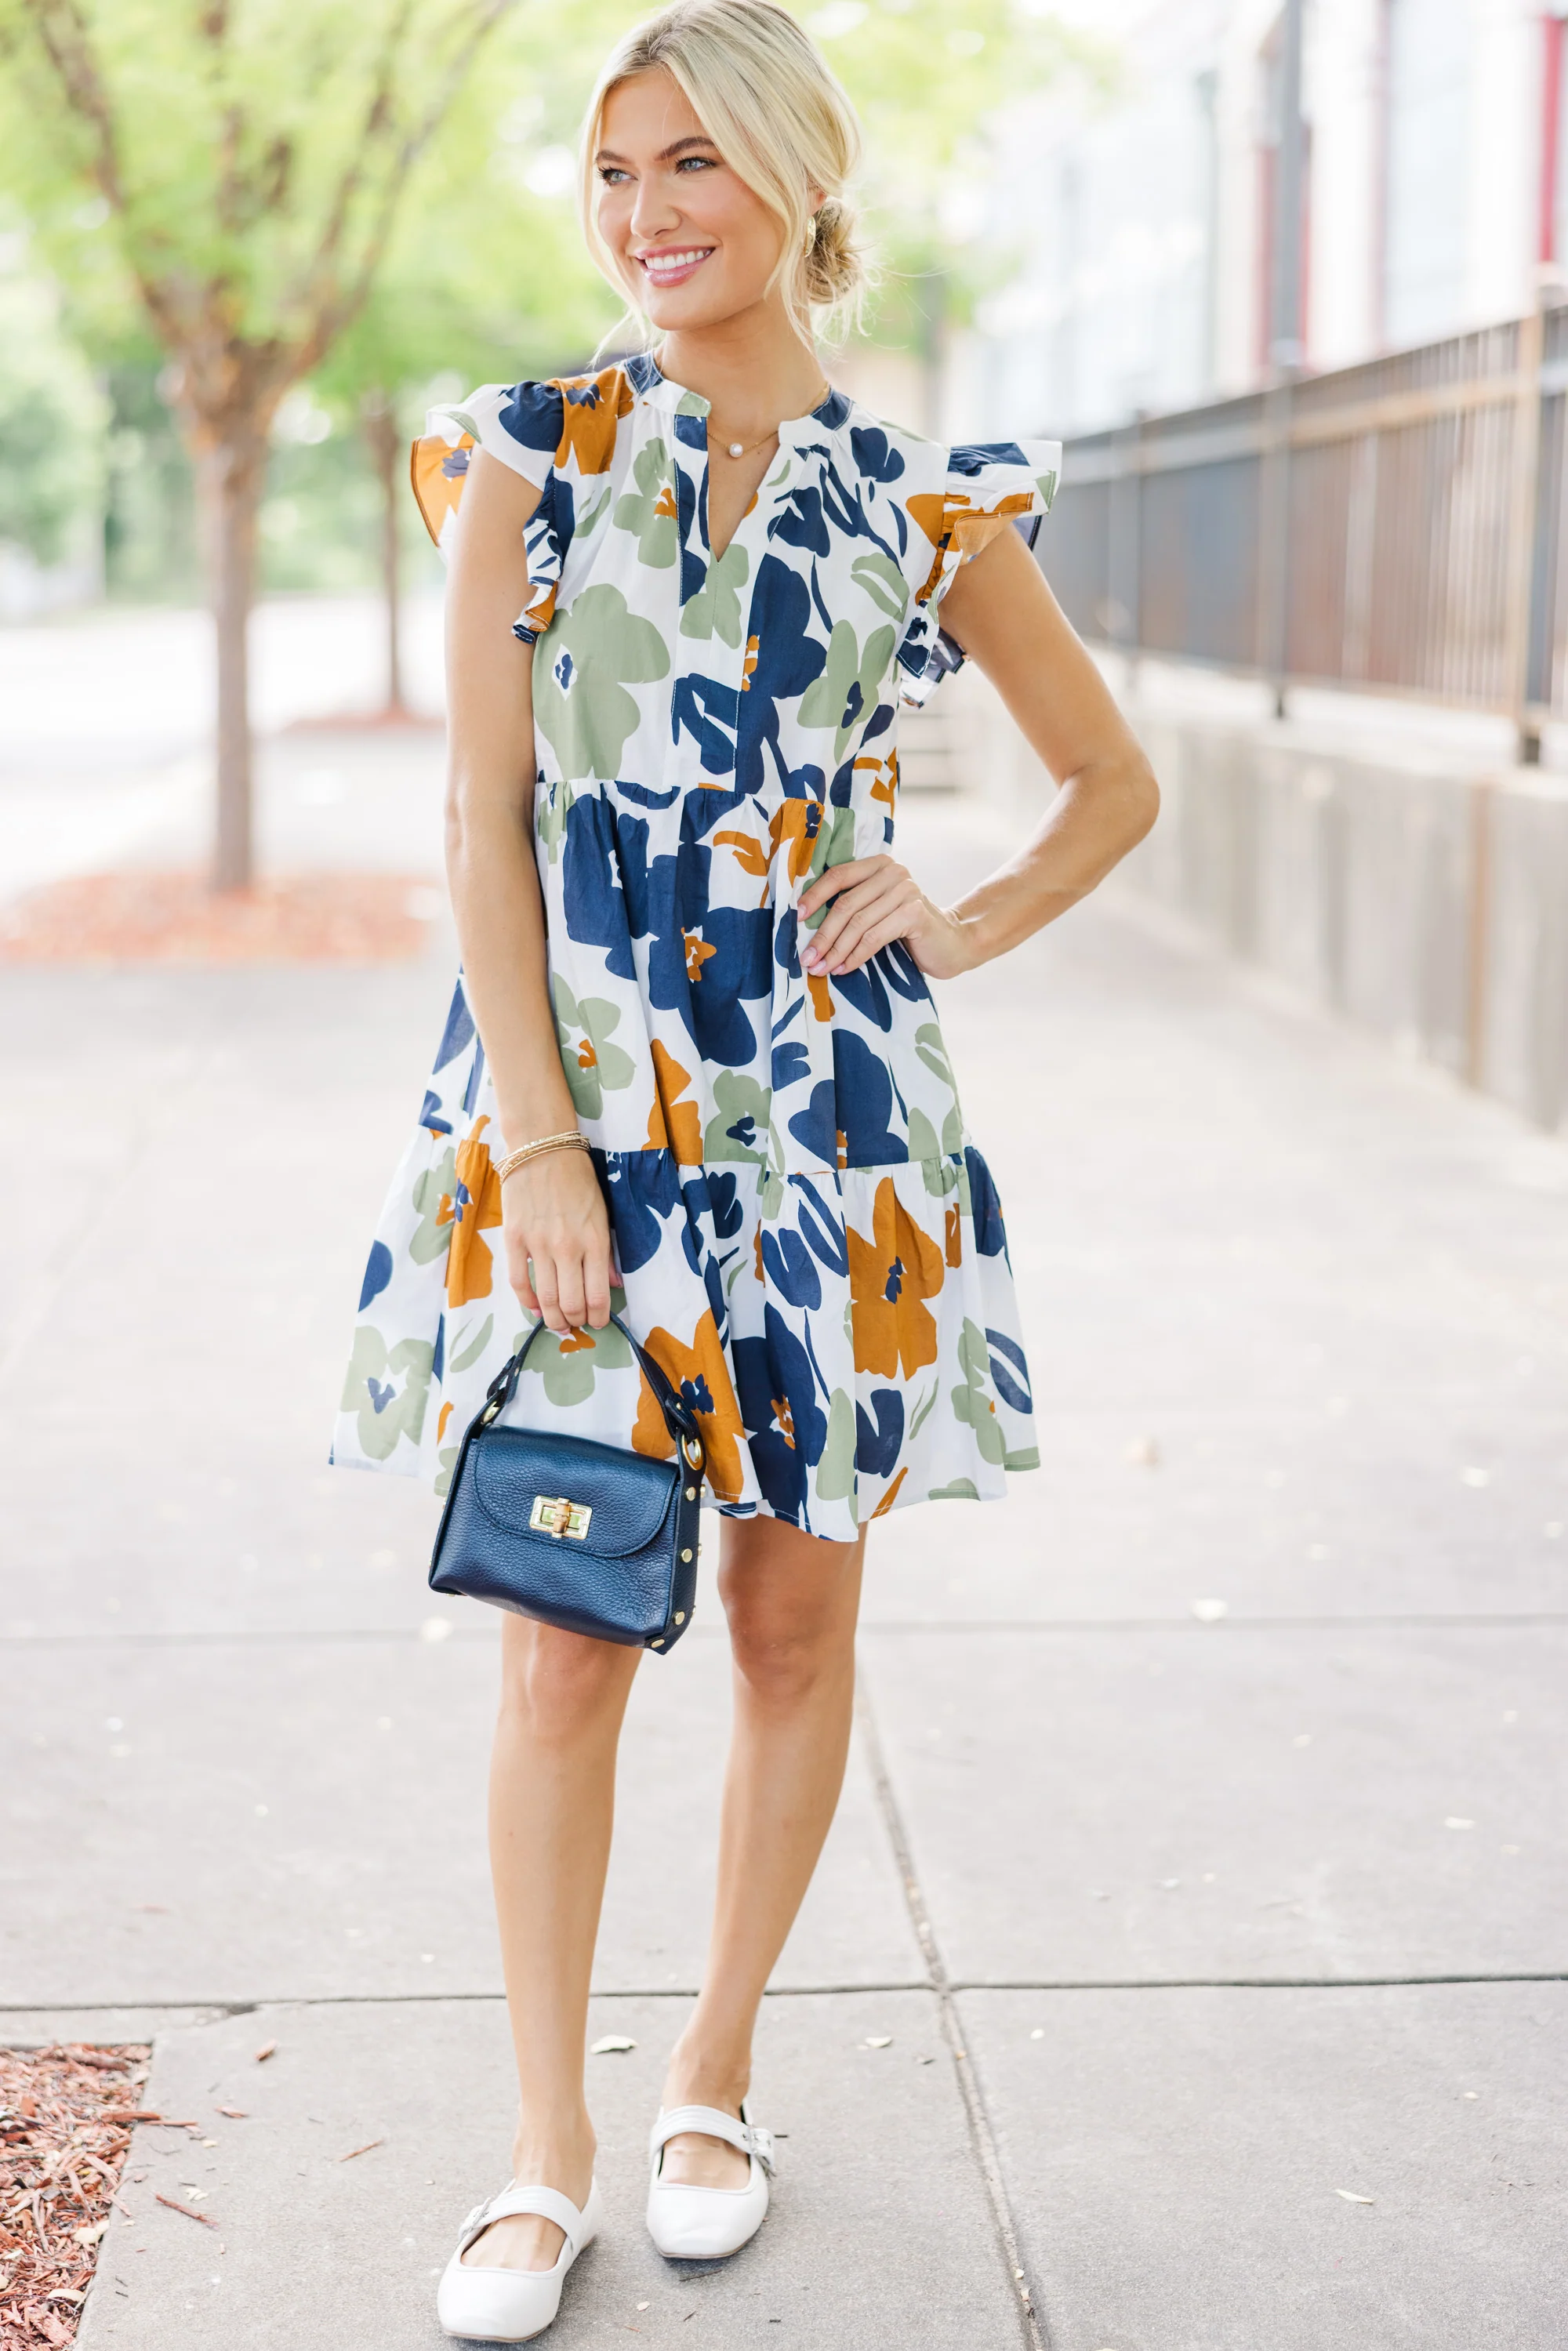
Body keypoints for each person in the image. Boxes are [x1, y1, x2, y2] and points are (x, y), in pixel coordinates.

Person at [333, 0, 1157, 2334]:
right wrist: (537, 1142)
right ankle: (543, 2146)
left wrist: (952, 915)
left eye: (689, 161)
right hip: (577, 1110)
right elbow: (480, 820)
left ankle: (713, 2071)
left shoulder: (920, 498)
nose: (647, 214)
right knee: (561, 1633)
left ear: (797, 171)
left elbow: (1113, 783)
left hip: (831, 1134)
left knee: (796, 1621)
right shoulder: (529, 448)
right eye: (613, 173)